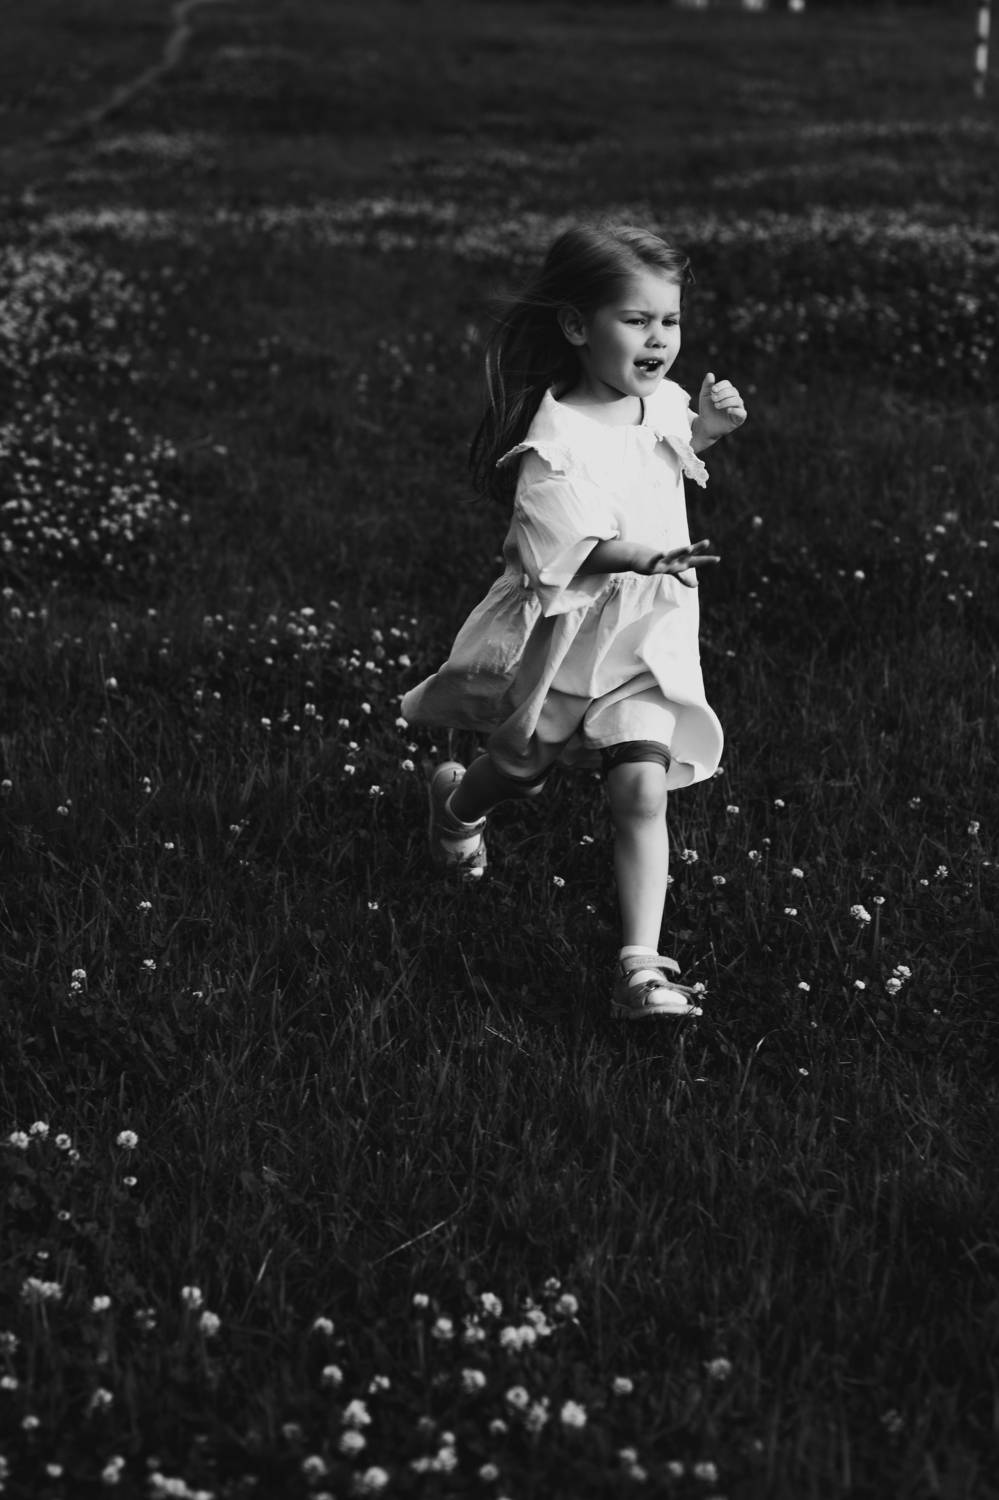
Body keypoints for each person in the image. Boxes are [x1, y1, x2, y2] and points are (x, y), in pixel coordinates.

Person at [401, 223, 747, 1020]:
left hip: (644, 644)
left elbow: (666, 451)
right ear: (575, 326)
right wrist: (640, 555)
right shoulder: (551, 444)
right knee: (519, 769)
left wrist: (707, 429)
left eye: (670, 320)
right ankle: (456, 808)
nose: (658, 339)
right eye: (636, 320)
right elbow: (572, 546)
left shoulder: (659, 401)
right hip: (568, 643)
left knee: (641, 789)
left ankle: (640, 968)